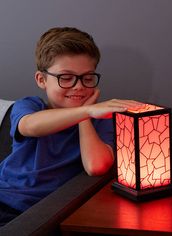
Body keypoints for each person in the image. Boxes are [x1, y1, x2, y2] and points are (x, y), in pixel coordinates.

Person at [0, 27, 143, 226]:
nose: (78, 86)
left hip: (33, 212)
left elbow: (96, 166)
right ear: (42, 80)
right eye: (65, 78)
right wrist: (86, 111)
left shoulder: (101, 120)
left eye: (87, 77)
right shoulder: (29, 106)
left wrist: (85, 117)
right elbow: (30, 126)